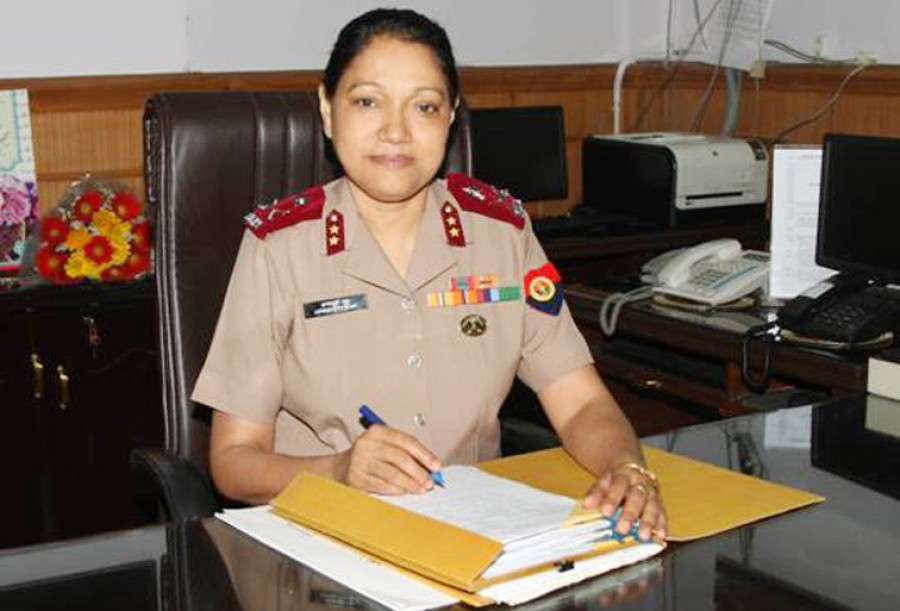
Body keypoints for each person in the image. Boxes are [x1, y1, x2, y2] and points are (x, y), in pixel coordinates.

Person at [192, 8, 666, 542]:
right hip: (323, 543)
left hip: (476, 540)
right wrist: (339, 469)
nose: (395, 131)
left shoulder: (502, 234)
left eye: (424, 106)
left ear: (451, 117)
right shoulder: (279, 248)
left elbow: (581, 403)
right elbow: (233, 461)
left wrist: (628, 468)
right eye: (367, 102)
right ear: (327, 110)